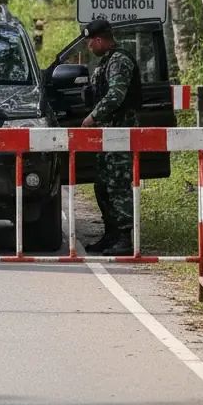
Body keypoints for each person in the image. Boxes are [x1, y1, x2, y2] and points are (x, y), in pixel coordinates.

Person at [80, 17, 142, 255]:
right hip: (108, 135)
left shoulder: (119, 61)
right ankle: (112, 235)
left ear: (98, 40)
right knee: (102, 186)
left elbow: (116, 94)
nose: (89, 47)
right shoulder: (107, 62)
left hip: (120, 133)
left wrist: (92, 117)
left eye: (90, 43)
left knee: (118, 186)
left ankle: (125, 238)